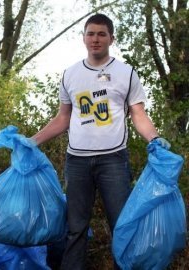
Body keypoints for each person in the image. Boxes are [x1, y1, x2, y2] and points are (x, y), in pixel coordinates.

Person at [31, 13, 170, 269]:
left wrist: (155, 137)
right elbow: (63, 118)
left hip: (113, 161)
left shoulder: (126, 73)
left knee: (122, 226)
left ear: (111, 38)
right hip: (77, 162)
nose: (96, 39)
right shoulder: (69, 75)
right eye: (91, 33)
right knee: (75, 228)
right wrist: (32, 141)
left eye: (101, 34)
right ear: (83, 38)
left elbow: (138, 114)